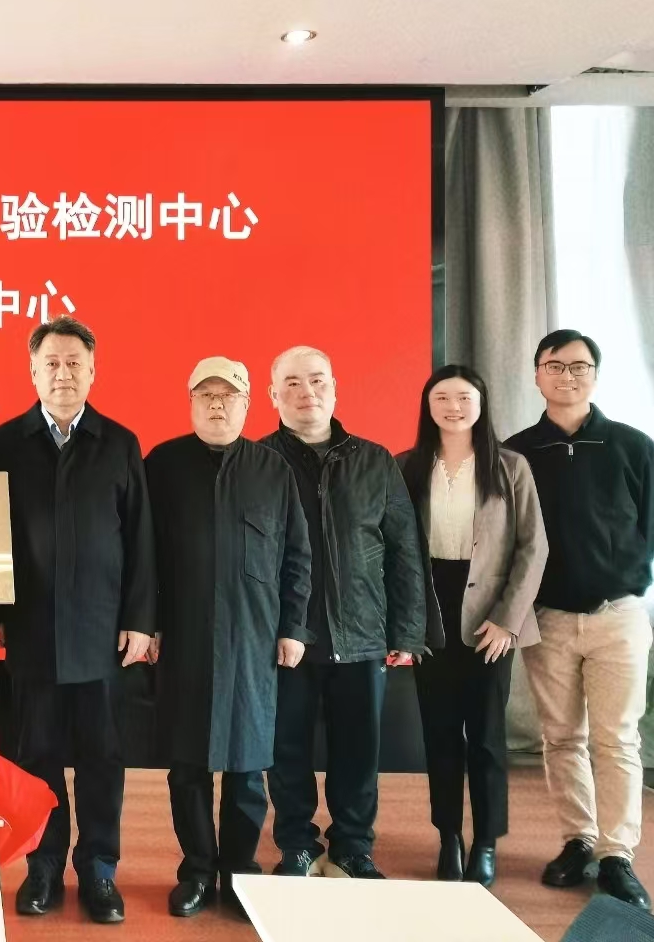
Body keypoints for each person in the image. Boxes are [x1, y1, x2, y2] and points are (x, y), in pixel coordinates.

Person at [0, 315, 157, 925]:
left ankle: (100, 870)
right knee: (37, 756)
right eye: (50, 363)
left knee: (103, 757)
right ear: (32, 372)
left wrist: (139, 619)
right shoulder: (5, 442)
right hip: (32, 629)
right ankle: (44, 867)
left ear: (92, 371)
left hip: (103, 631)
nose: (62, 373)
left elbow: (141, 538)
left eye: (74, 363)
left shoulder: (119, 442)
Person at [144, 357, 312, 919]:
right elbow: (143, 553)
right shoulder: (163, 464)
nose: (217, 404)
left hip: (253, 640)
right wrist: (148, 623)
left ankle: (240, 871)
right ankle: (196, 870)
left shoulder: (271, 468)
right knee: (187, 765)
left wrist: (293, 627)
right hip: (183, 637)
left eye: (229, 395)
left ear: (247, 404)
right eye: (206, 394)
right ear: (190, 402)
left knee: (246, 767)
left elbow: (297, 556)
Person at [261, 345, 425, 880]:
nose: (306, 392)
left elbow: (404, 548)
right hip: (286, 635)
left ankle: (353, 846)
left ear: (334, 388)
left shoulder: (374, 460)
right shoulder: (257, 461)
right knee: (286, 748)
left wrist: (407, 629)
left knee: (358, 749)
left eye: (317, 380)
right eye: (292, 383)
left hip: (361, 630)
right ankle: (297, 844)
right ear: (273, 395)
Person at [507, 330, 654, 908]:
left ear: (594, 374)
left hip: (618, 615)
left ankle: (618, 854)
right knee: (562, 737)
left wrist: (625, 575)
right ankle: (579, 840)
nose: (566, 376)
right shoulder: (517, 452)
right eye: (554, 365)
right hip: (548, 619)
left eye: (578, 366)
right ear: (536, 374)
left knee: (617, 738)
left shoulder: (632, 446)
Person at [397, 365, 547, 887]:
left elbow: (533, 547)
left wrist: (507, 620)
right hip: (430, 610)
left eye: (464, 397)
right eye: (442, 397)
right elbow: (393, 549)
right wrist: (405, 622)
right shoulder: (407, 466)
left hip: (490, 614)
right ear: (428, 405)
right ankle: (449, 838)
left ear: (481, 404)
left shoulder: (510, 466)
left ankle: (485, 841)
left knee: (485, 736)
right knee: (439, 735)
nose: (453, 406)